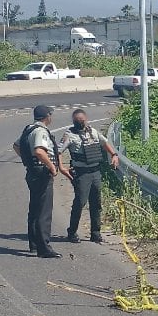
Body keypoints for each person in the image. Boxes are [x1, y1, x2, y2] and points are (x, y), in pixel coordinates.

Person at [13, 105, 70, 258]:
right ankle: (44, 248)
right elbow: (39, 151)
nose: (51, 117)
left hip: (33, 172)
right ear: (47, 116)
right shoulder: (40, 131)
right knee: (44, 211)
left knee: (35, 209)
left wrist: (28, 161)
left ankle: (34, 244)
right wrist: (51, 166)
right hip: (41, 174)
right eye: (51, 115)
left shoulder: (29, 129)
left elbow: (16, 146)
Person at [59, 108, 120, 244]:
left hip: (95, 172)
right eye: (78, 120)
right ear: (74, 121)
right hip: (81, 173)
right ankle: (72, 232)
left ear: (86, 119)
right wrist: (61, 167)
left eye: (82, 120)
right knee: (80, 203)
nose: (81, 122)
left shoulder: (92, 132)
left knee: (96, 203)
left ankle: (95, 233)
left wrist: (114, 155)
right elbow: (58, 151)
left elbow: (104, 143)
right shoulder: (69, 135)